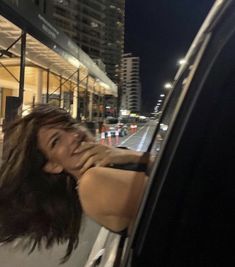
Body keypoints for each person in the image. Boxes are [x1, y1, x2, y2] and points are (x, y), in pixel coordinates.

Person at [0, 104, 152, 262]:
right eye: (56, 141)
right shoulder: (93, 182)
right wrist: (132, 156)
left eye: (69, 125)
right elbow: (170, 190)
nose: (74, 136)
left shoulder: (108, 166)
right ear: (53, 166)